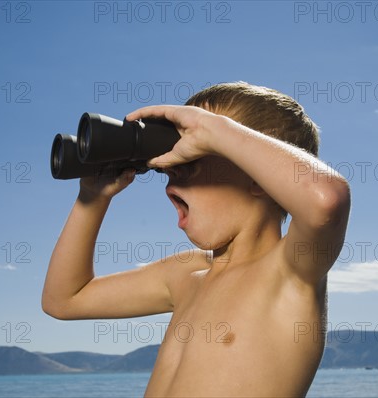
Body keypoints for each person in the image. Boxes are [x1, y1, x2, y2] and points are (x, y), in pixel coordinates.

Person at [42, 82, 351, 397]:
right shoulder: (185, 274)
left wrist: (215, 131)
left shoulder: (288, 271)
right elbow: (64, 300)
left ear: (258, 177)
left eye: (199, 154)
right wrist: (91, 199)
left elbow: (326, 200)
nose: (175, 171)